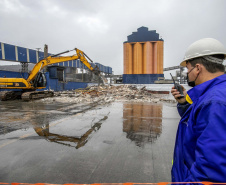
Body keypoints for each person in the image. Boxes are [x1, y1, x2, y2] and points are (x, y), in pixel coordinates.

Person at [171, 38, 226, 182]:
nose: (187, 73)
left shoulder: (214, 102)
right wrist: (184, 103)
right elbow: (199, 124)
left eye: (187, 68)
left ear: (197, 68)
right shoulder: (213, 94)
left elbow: (211, 172)